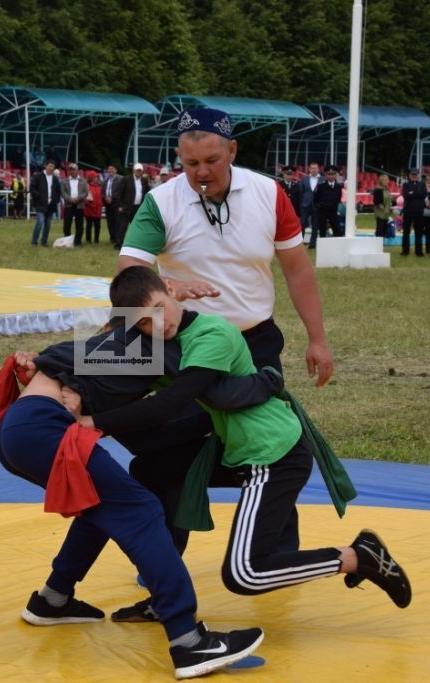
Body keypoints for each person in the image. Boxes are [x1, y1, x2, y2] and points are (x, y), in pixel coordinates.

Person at [86, 266, 411, 610]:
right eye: (142, 324)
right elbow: (93, 359)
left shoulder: (211, 334)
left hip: (273, 455)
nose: (156, 325)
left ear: (170, 289)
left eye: (157, 310)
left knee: (245, 574)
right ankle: (169, 592)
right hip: (239, 452)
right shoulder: (164, 345)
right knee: (151, 470)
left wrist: (92, 421)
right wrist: (43, 363)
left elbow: (172, 403)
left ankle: (359, 556)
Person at [114, 108, 334, 616]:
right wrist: (169, 286)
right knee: (174, 453)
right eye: (190, 163)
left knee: (261, 446)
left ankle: (275, 554)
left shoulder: (268, 194)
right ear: (179, 159)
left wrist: (318, 339)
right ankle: (168, 570)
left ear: (233, 152)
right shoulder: (161, 203)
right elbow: (128, 273)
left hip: (254, 345)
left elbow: (298, 270)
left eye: (211, 160)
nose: (201, 172)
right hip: (187, 347)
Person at [0, 350, 266, 679]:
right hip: (41, 428)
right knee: (142, 509)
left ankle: (53, 598)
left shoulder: (110, 351)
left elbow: (134, 415)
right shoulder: (140, 346)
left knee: (102, 503)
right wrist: (265, 383)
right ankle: (188, 641)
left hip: (21, 429)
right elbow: (183, 392)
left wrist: (42, 365)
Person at [115, 162, 150, 246]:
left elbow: (146, 192)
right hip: (126, 207)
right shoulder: (126, 179)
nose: (139, 172)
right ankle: (119, 244)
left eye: (140, 171)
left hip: (138, 208)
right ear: (133, 170)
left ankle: (136, 243)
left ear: (142, 172)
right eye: (137, 170)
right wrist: (120, 205)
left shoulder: (144, 181)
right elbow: (119, 193)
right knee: (122, 226)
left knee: (137, 227)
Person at [29, 161, 61, 247]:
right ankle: (34, 241)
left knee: (48, 224)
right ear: (45, 166)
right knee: (40, 221)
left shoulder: (55, 179)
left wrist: (56, 200)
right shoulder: (38, 176)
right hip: (40, 204)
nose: (51, 168)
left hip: (51, 205)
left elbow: (58, 191)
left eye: (53, 167)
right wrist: (37, 197)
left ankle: (44, 242)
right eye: (50, 166)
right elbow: (32, 187)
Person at [399, 168, 427, 256]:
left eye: (416, 175)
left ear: (418, 175)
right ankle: (405, 251)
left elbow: (423, 195)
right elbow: (406, 196)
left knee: (419, 232)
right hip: (408, 211)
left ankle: (419, 252)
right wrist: (416, 193)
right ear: (409, 175)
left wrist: (413, 193)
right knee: (406, 232)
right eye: (412, 175)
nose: (414, 176)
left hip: (419, 212)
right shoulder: (405, 185)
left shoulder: (422, 184)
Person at [293, 162, 321, 248]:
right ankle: (300, 243)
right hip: (305, 206)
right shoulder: (304, 179)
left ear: (318, 169)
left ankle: (313, 244)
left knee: (315, 225)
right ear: (309, 169)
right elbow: (300, 193)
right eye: (312, 168)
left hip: (317, 206)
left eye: (315, 168)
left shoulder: (323, 179)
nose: (314, 170)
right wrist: (301, 205)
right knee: (302, 225)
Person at [61, 163, 89, 245]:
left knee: (79, 224)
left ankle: (77, 242)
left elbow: (86, 192)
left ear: (78, 170)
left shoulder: (83, 181)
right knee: (67, 224)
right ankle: (67, 241)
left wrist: (78, 198)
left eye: (74, 169)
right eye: (71, 170)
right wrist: (70, 199)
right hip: (69, 204)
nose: (73, 171)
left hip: (79, 204)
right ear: (69, 171)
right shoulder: (64, 181)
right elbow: (63, 192)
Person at [312, 167, 342, 241]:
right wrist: (319, 207)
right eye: (329, 174)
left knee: (337, 229)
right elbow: (315, 199)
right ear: (326, 175)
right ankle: (323, 247)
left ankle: (337, 245)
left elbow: (338, 198)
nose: (331, 176)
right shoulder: (321, 186)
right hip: (323, 212)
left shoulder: (338, 186)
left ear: (335, 175)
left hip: (333, 211)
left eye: (333, 174)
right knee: (322, 230)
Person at [102, 164, 122, 246]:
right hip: (108, 204)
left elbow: (120, 191)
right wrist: (105, 197)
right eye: (109, 169)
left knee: (117, 222)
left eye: (112, 169)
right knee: (109, 222)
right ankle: (112, 238)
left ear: (116, 170)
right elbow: (102, 192)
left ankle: (118, 239)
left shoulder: (120, 179)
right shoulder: (105, 181)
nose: (110, 171)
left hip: (116, 204)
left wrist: (112, 198)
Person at [83, 170, 103, 244]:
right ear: (91, 178)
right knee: (89, 225)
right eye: (95, 177)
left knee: (97, 226)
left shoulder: (99, 187)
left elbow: (100, 197)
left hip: (97, 209)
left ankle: (96, 240)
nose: (97, 178)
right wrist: (89, 204)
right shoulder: (87, 186)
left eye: (97, 177)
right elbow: (85, 198)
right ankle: (88, 240)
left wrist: (100, 204)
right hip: (89, 210)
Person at [371, 173, 393, 238]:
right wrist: (384, 209)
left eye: (387, 180)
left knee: (384, 231)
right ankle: (378, 245)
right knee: (380, 231)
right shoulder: (378, 190)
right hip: (380, 214)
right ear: (381, 181)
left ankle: (381, 245)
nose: (386, 181)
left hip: (386, 214)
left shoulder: (386, 190)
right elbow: (377, 202)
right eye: (384, 180)